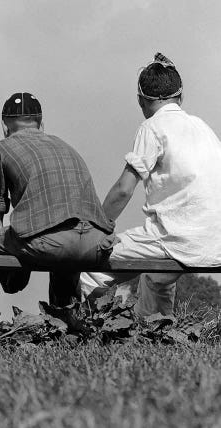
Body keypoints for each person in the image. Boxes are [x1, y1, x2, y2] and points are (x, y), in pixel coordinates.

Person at [81, 53, 221, 316]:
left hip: (178, 239)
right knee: (156, 278)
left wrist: (95, 230)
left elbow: (124, 189)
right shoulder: (203, 128)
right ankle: (158, 333)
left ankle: (74, 333)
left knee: (88, 266)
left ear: (141, 101)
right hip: (216, 241)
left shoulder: (153, 127)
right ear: (181, 97)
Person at [0, 93, 115, 316]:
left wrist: (12, 273)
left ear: (4, 126)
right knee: (64, 251)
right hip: (97, 243)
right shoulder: (66, 146)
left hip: (47, 242)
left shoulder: (0, 149)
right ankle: (68, 327)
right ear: (42, 123)